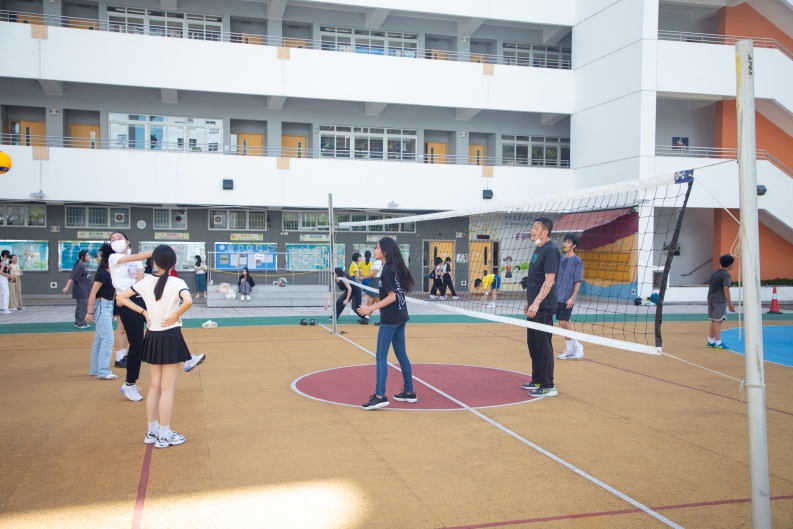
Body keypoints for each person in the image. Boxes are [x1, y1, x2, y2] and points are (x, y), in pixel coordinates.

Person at [117, 245, 193, 449]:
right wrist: (175, 316)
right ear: (173, 263)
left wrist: (143, 312)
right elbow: (188, 301)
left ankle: (152, 432)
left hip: (152, 335)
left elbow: (120, 297)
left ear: (154, 262)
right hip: (171, 336)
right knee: (167, 388)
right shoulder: (177, 282)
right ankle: (164, 434)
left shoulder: (145, 282)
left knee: (154, 386)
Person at [356, 237, 417, 410]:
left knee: (381, 356)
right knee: (401, 355)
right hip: (400, 315)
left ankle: (380, 396)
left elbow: (392, 296)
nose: (375, 249)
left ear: (385, 251)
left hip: (391, 318)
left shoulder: (388, 270)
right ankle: (409, 391)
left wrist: (370, 308)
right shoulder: (394, 267)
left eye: (377, 247)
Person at [109, 232, 153, 401]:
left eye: (119, 238)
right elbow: (139, 256)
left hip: (139, 297)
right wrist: (161, 250)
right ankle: (129, 384)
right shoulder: (114, 257)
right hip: (126, 302)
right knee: (137, 344)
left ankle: (186, 358)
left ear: (127, 242)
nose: (116, 241)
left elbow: (140, 279)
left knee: (164, 325)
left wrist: (128, 293)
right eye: (113, 239)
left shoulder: (136, 260)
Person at [522, 217, 560, 398]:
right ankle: (537, 379)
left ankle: (548, 385)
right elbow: (535, 279)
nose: (532, 230)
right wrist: (529, 301)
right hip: (534, 305)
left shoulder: (551, 250)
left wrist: (536, 302)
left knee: (544, 346)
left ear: (545, 232)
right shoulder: (539, 248)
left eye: (536, 228)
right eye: (532, 227)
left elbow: (549, 280)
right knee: (533, 344)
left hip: (543, 306)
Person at [84, 243, 119, 380]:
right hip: (101, 306)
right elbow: (92, 293)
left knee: (99, 340)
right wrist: (90, 312)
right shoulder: (103, 274)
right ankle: (103, 371)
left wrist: (113, 311)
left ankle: (95, 369)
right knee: (108, 339)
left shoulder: (111, 273)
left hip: (106, 306)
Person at [556, 234, 584, 360]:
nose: (565, 244)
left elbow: (578, 281)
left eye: (568, 242)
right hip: (558, 295)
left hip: (568, 297)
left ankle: (577, 344)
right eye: (565, 242)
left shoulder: (577, 261)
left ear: (574, 245)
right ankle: (569, 350)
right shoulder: (560, 258)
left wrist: (572, 298)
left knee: (563, 322)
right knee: (564, 323)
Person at [707, 254, 737, 350]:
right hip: (719, 300)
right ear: (731, 265)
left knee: (714, 320)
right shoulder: (726, 275)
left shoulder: (714, 273)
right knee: (718, 321)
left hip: (711, 298)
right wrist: (730, 304)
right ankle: (718, 343)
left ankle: (710, 341)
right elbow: (726, 290)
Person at [63, 250, 93, 329]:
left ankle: (78, 322)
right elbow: (72, 277)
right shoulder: (79, 266)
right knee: (83, 306)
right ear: (82, 257)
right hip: (81, 290)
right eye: (87, 255)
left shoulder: (83, 265)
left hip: (85, 290)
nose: (88, 256)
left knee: (80, 306)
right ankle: (81, 323)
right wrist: (66, 287)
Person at [362, 253, 384, 325]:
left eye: (377, 250)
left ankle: (383, 320)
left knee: (378, 302)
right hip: (373, 282)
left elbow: (374, 273)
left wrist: (362, 278)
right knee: (370, 302)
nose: (375, 253)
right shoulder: (378, 262)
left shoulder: (378, 262)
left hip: (376, 282)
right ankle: (366, 318)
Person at [348, 253, 366, 324]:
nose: (360, 258)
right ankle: (356, 311)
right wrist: (360, 280)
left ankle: (354, 310)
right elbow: (356, 276)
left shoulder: (355, 264)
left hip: (354, 283)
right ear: (357, 258)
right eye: (359, 257)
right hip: (354, 283)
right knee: (356, 298)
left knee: (353, 297)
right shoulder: (354, 265)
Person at [0, 250, 11, 315]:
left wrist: (7, 268)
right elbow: (1, 272)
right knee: (6, 293)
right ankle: (5, 308)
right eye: (8, 254)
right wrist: (9, 275)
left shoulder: (1, 261)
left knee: (2, 293)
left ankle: (1, 308)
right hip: (2, 278)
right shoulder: (3, 262)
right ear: (5, 255)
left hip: (1, 278)